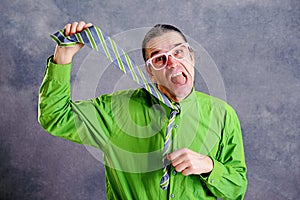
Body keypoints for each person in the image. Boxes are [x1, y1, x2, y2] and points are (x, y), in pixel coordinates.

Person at [38, 21, 247, 199]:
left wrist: (210, 166)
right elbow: (55, 115)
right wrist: (62, 58)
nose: (172, 63)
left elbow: (237, 189)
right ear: (150, 73)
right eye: (159, 59)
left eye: (178, 52)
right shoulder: (115, 111)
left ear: (191, 57)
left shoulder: (223, 115)